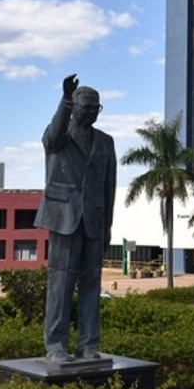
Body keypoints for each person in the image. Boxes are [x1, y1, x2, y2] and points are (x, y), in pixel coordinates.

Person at [34, 73, 117, 362]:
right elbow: (53, 136)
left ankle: (88, 344)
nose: (92, 112)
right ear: (74, 106)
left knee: (91, 285)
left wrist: (107, 226)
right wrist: (65, 100)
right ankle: (55, 345)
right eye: (87, 107)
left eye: (97, 108)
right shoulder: (59, 136)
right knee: (61, 284)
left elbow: (109, 187)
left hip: (94, 222)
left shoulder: (106, 142)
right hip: (64, 218)